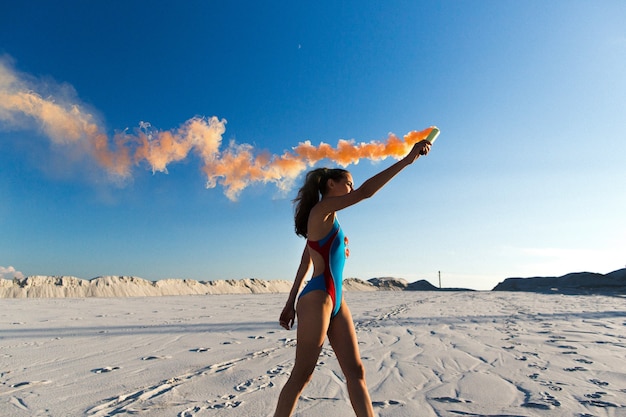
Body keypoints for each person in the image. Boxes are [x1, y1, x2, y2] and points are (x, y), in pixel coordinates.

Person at [273, 139, 432, 417]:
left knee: (356, 372)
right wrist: (407, 160)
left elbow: (303, 262)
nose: (352, 188)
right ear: (331, 185)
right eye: (348, 183)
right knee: (302, 376)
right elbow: (366, 193)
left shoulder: (328, 218)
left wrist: (289, 303)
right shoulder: (320, 211)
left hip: (336, 300)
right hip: (318, 298)